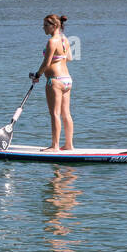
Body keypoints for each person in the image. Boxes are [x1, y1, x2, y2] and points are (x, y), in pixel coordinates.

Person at [31, 14, 73, 151]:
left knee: (55, 114)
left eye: (45, 25)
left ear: (54, 26)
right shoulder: (65, 39)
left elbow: (46, 62)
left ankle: (54, 146)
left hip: (55, 81)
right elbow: (69, 58)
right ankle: (68, 145)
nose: (43, 28)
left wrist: (37, 75)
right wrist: (58, 61)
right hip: (67, 80)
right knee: (66, 114)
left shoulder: (52, 41)